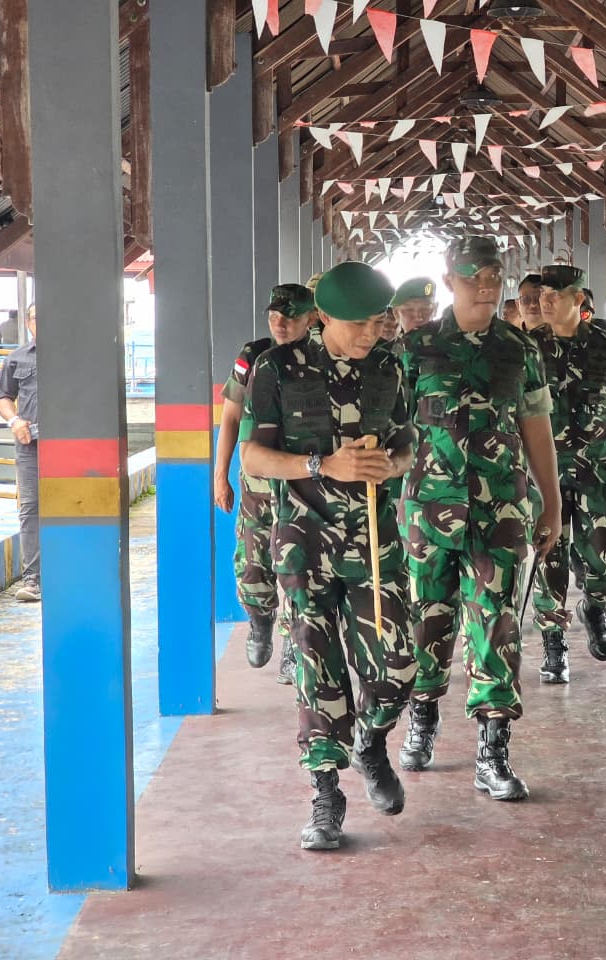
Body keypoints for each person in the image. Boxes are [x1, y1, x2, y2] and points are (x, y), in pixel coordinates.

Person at [241, 262, 418, 851]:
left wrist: (390, 464)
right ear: (325, 317)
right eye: (362, 323)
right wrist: (323, 466)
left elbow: (405, 440)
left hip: (374, 538)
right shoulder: (277, 368)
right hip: (305, 538)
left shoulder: (391, 367)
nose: (373, 331)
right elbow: (255, 458)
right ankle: (325, 793)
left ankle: (369, 739)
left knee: (398, 664)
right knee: (317, 668)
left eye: (380, 320)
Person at [397, 235, 561, 802]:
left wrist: (553, 502)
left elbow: (538, 430)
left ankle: (493, 750)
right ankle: (422, 718)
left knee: (497, 625)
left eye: (492, 276)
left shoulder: (520, 349)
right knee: (426, 622)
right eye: (472, 278)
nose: (485, 286)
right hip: (427, 514)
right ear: (450, 282)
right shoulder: (412, 350)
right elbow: (392, 432)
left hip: (501, 512)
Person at [527, 264, 606, 683]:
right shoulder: (525, 347)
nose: (546, 301)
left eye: (556, 294)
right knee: (548, 552)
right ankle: (553, 643)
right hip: (542, 470)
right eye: (542, 294)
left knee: (602, 554)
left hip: (599, 469)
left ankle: (596, 606)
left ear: (579, 299)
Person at [214, 284, 315, 680]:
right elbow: (230, 417)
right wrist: (220, 475)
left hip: (302, 480)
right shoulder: (252, 356)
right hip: (257, 480)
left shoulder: (321, 359)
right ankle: (260, 617)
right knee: (253, 562)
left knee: (299, 562)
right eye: (275, 316)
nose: (281, 324)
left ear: (312, 318)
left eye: (290, 317)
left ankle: (295, 643)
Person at [0, 304, 40, 603]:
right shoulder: (17, 358)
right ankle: (33, 579)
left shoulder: (71, 358)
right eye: (38, 318)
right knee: (31, 507)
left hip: (68, 446)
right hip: (29, 444)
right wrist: (14, 420)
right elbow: (3, 397)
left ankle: (74, 572)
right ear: (28, 322)